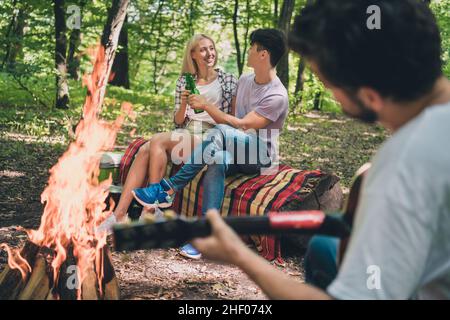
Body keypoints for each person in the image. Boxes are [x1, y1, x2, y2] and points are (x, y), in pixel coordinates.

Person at [191, 0, 450, 299]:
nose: (329, 92)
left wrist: (238, 254)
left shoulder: (402, 166)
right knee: (323, 246)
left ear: (369, 94)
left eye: (328, 83)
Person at [132, 29, 289, 259]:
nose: (249, 51)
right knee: (217, 159)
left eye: (252, 47)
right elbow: (231, 123)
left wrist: (206, 106)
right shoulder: (245, 80)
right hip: (234, 147)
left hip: (259, 155)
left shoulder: (277, 95)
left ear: (263, 54)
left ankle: (169, 187)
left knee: (221, 131)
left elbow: (244, 125)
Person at [97, 34, 237, 234]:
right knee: (145, 149)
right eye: (203, 50)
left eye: (211, 48)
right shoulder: (185, 81)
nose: (209, 53)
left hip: (212, 137)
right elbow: (178, 121)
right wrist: (184, 102)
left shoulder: (228, 79)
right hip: (187, 133)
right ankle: (119, 215)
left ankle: (151, 208)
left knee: (157, 140)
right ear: (193, 55)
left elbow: (232, 119)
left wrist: (206, 106)